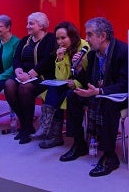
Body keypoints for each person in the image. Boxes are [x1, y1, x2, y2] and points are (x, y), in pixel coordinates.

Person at [59, 17, 128, 177]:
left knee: (107, 103)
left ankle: (110, 156)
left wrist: (99, 91)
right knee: (73, 95)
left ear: (102, 36)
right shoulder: (91, 55)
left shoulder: (122, 51)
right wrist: (79, 68)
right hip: (98, 92)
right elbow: (87, 81)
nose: (87, 39)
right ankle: (79, 143)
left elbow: (125, 84)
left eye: (89, 35)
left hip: (118, 95)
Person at [32, 21, 89, 149]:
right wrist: (61, 59)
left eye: (63, 38)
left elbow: (88, 74)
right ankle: (50, 131)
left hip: (83, 84)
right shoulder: (62, 50)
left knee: (61, 93)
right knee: (53, 88)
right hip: (67, 83)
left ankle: (51, 132)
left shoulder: (84, 47)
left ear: (72, 36)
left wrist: (75, 83)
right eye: (57, 38)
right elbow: (61, 77)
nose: (60, 42)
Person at [4, 12, 56, 144]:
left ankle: (26, 128)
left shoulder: (50, 39)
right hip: (23, 75)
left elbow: (48, 60)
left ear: (41, 25)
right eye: (28, 23)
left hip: (42, 76)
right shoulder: (25, 40)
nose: (27, 26)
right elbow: (16, 58)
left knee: (25, 88)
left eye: (31, 23)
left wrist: (31, 73)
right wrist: (18, 70)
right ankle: (26, 124)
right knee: (9, 85)